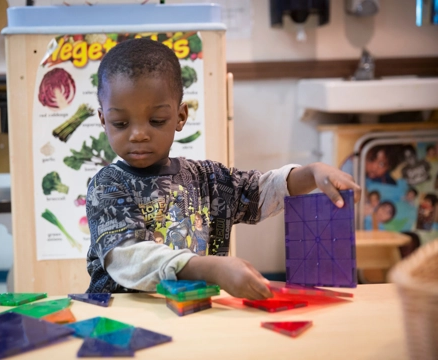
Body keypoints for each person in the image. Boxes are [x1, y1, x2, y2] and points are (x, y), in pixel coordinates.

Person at [85, 38, 361, 300]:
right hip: (125, 319)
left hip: (192, 316)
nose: (138, 135)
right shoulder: (106, 186)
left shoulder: (209, 179)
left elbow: (262, 190)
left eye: (156, 120)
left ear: (180, 117)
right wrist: (211, 269)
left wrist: (311, 173)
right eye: (121, 123)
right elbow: (128, 257)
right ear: (103, 120)